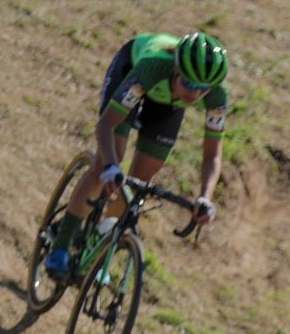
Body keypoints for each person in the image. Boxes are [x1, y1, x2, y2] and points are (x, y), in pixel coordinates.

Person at [45, 31, 229, 278]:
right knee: (109, 160)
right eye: (189, 84)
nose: (195, 95)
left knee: (141, 180)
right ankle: (61, 244)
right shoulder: (152, 66)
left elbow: (212, 156)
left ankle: (100, 237)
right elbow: (105, 126)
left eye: (203, 89)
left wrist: (206, 197)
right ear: (176, 70)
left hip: (166, 105)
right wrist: (110, 166)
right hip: (132, 71)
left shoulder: (217, 96)